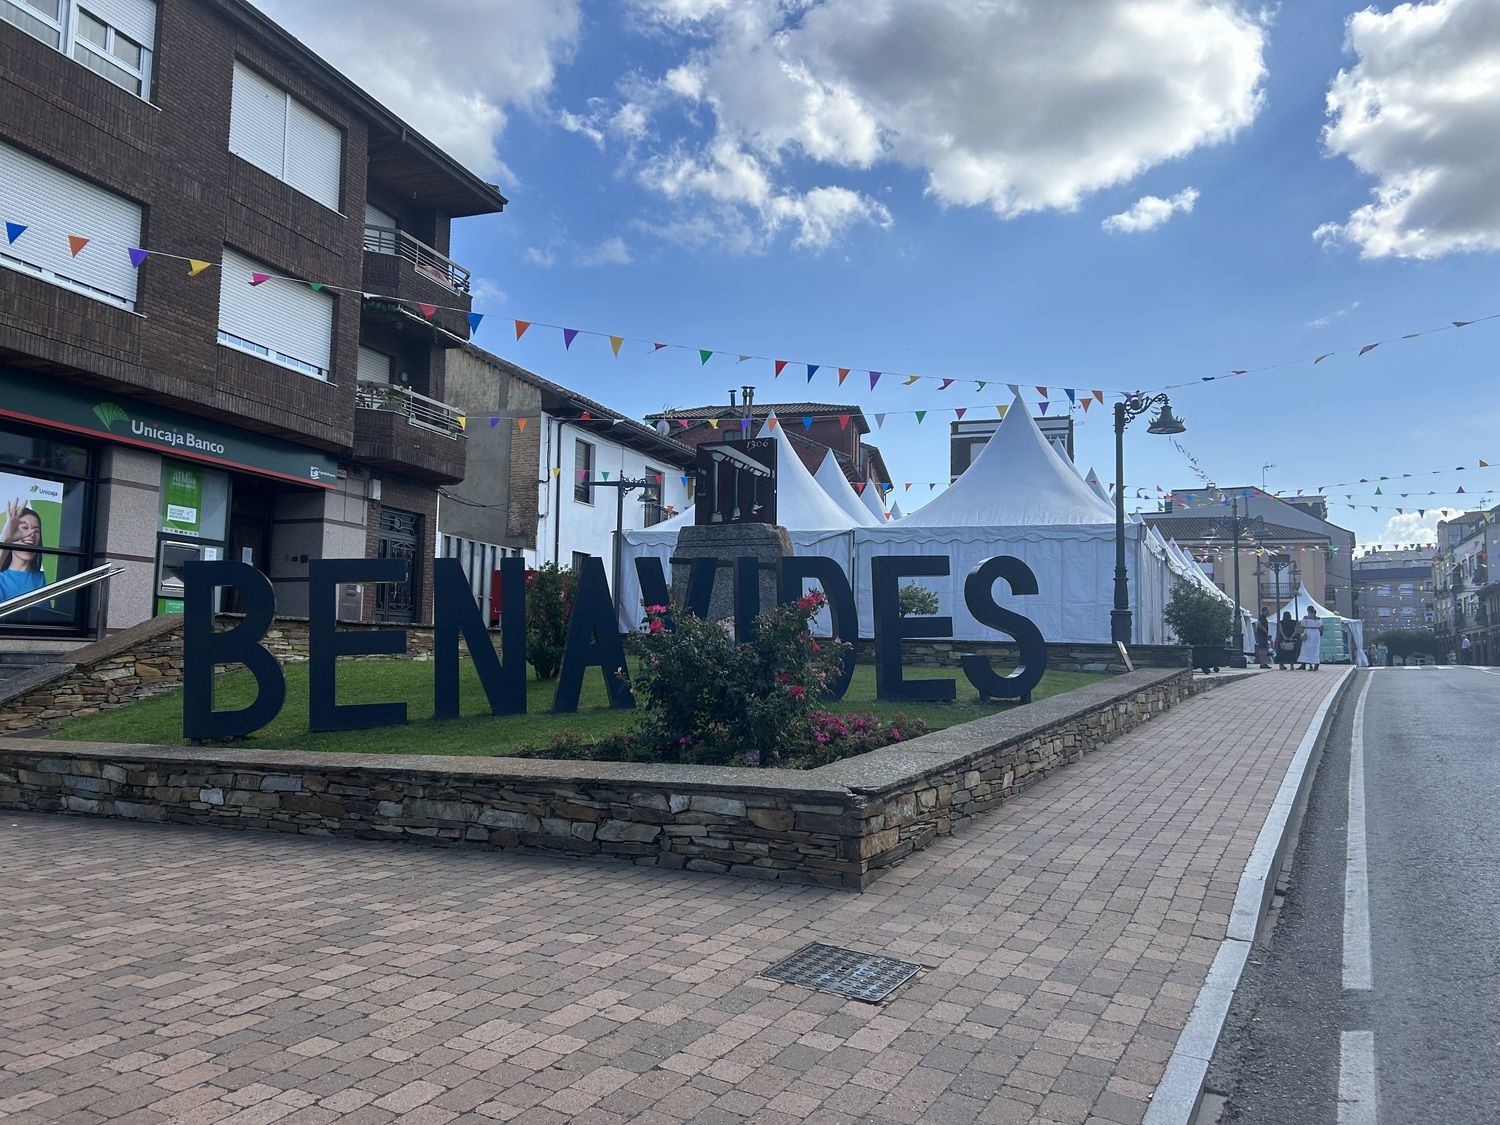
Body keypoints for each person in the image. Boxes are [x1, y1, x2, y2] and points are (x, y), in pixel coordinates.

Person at [0, 499, 46, 602]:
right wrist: (6, 539)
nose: (31, 534)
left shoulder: (46, 579)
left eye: (36, 530)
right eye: (25, 527)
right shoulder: (1, 578)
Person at [1298, 606, 1324, 670]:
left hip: (1308, 634)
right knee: (1315, 649)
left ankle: (1304, 664)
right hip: (1316, 635)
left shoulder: (1306, 618)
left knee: (1306, 649)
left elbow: (1302, 625)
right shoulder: (1319, 619)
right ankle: (1316, 664)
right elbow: (1321, 627)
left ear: (1309, 611)